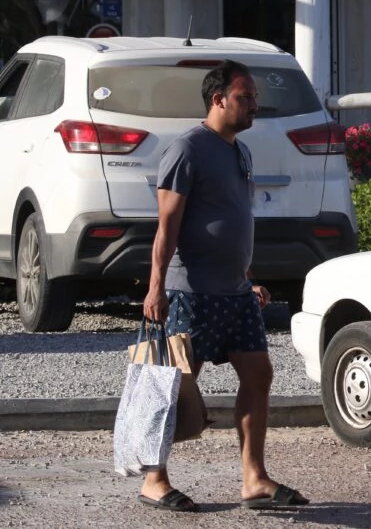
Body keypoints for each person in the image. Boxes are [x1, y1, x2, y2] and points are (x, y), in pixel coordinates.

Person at [139, 60, 309, 512]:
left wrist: (247, 280)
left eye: (253, 96)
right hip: (189, 293)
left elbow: (232, 220)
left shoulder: (240, 150)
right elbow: (167, 226)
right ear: (218, 100)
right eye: (245, 96)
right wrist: (156, 286)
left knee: (259, 374)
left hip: (235, 294)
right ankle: (154, 479)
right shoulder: (187, 150)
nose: (254, 103)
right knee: (171, 384)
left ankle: (254, 478)